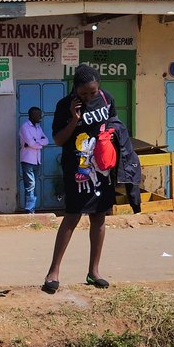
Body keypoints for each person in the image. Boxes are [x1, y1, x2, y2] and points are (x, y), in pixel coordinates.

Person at [42, 64, 117, 294]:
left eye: (92, 92)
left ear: (99, 87)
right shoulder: (65, 106)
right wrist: (74, 120)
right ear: (75, 90)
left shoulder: (106, 99)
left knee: (99, 216)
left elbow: (114, 125)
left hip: (102, 167)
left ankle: (94, 272)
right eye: (84, 93)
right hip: (77, 168)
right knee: (72, 216)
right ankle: (53, 272)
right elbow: (58, 139)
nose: (88, 97)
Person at [18, 106, 50, 214]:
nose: (40, 116)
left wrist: (37, 143)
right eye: (38, 114)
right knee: (30, 185)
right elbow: (31, 143)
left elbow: (46, 140)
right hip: (27, 160)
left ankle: (32, 208)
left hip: (37, 160)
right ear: (31, 115)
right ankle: (29, 210)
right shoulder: (25, 127)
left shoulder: (38, 128)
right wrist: (37, 143)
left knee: (34, 185)